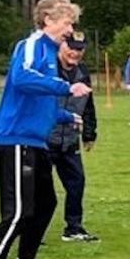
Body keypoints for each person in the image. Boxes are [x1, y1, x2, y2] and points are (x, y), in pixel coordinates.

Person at [0, 0, 92, 259]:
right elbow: (23, 79)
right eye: (67, 22)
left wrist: (66, 115)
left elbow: (41, 99)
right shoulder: (31, 45)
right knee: (18, 213)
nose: (70, 29)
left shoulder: (51, 54)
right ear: (48, 19)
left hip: (36, 141)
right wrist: (66, 88)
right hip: (16, 138)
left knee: (46, 204)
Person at [46, 32, 99, 242]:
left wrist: (89, 134)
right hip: (45, 138)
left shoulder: (83, 73)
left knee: (77, 182)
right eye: (71, 47)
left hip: (70, 139)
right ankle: (31, 229)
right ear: (61, 46)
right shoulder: (48, 69)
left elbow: (88, 105)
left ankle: (74, 227)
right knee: (40, 187)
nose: (75, 53)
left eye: (79, 49)